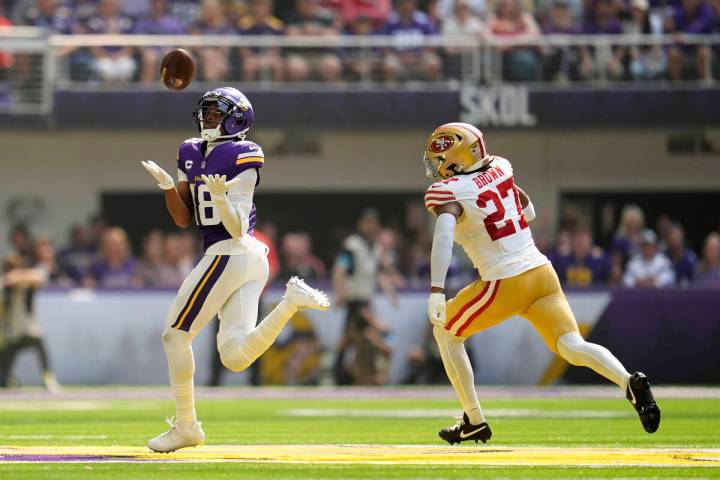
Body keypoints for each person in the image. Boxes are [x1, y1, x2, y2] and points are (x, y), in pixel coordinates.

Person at [422, 122, 660, 445]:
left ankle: (474, 419)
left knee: (445, 331)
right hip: (541, 272)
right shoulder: (501, 166)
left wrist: (437, 289)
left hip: (504, 281)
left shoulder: (449, 192)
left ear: (457, 158)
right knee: (572, 345)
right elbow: (527, 209)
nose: (437, 169)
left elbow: (444, 235)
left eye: (440, 160)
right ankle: (628, 382)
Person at [140, 86, 329, 453]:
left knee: (175, 335)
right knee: (235, 356)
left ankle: (186, 426)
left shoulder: (244, 153)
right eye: (207, 113)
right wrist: (167, 188)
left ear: (237, 119)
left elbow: (238, 226)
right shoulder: (190, 150)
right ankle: (290, 301)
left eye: (216, 114)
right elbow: (183, 218)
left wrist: (222, 199)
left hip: (231, 250)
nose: (208, 119)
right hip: (240, 257)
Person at [0, 247, 60, 392]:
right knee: (3, 379)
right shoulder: (3, 288)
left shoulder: (24, 285)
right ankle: (7, 378)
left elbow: (40, 276)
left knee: (39, 339)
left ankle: (47, 375)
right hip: (7, 338)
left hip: (24, 332)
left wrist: (16, 276)